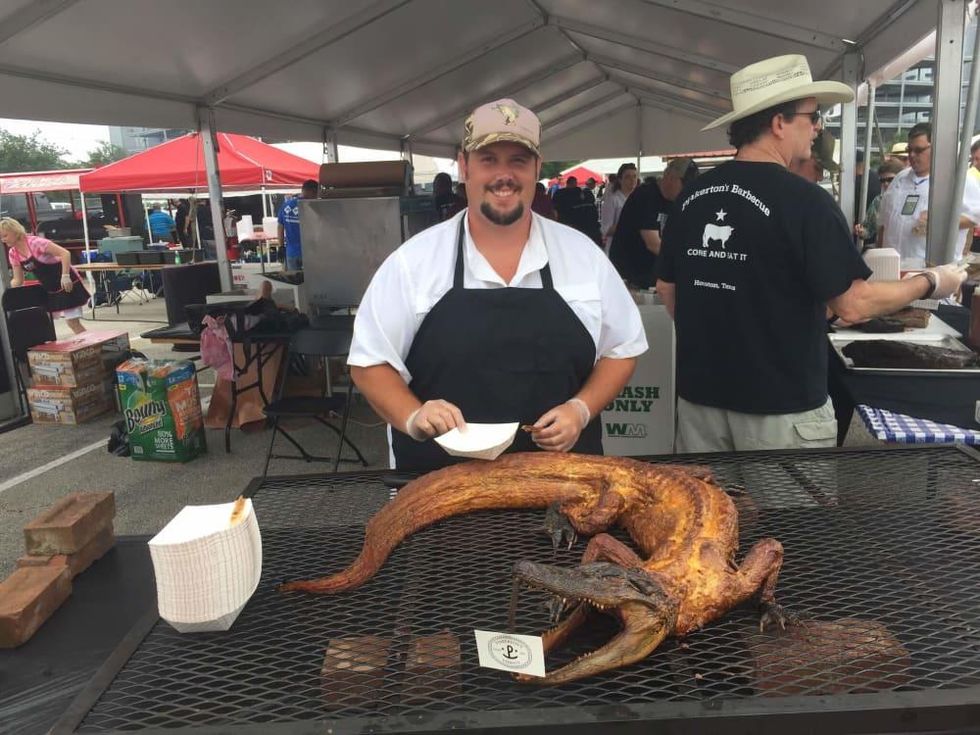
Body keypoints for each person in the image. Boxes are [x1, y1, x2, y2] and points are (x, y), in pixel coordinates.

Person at [655, 54, 966, 453]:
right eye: (811, 115)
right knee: (789, 518)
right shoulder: (806, 202)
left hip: (700, 401)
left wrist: (718, 332)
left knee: (705, 514)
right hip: (780, 408)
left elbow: (667, 289)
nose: (818, 126)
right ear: (778, 123)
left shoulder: (692, 197)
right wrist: (933, 281)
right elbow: (853, 305)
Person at [347, 97, 647, 472]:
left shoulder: (582, 256)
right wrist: (414, 415)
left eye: (518, 161)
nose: (503, 175)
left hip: (562, 490)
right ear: (464, 167)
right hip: (437, 492)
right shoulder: (413, 263)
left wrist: (580, 409)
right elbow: (369, 362)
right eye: (488, 159)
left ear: (537, 167)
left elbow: (623, 347)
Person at [877, 123, 980, 267]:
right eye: (910, 150)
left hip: (932, 270)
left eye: (918, 150)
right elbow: (884, 223)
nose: (912, 155)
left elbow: (974, 217)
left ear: (936, 148)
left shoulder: (957, 179)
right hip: (895, 267)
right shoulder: (900, 178)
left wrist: (938, 221)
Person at [609, 157, 698, 289]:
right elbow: (653, 243)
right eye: (683, 184)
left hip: (654, 274)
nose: (685, 190)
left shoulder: (677, 201)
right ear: (670, 177)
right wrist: (684, 262)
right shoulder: (646, 196)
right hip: (632, 275)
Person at [2, 217, 89, 334]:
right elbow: (18, 280)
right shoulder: (13, 253)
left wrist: (65, 276)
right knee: (44, 322)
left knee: (72, 323)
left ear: (15, 231)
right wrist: (4, 291)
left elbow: (65, 253)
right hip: (49, 288)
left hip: (66, 283)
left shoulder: (36, 243)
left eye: (5, 236)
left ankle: (92, 348)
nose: (2, 240)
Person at [855, 159, 903, 246]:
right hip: (885, 250)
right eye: (882, 180)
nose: (886, 183)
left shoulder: (910, 198)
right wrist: (861, 231)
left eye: (890, 179)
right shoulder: (879, 200)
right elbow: (868, 229)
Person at [277, 179, 318, 271]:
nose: (317, 197)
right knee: (311, 281)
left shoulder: (286, 205)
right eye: (316, 194)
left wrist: (280, 246)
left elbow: (280, 226)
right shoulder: (312, 207)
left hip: (291, 253)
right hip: (310, 253)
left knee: (295, 282)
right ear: (312, 191)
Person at [599, 163, 637, 253]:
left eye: (634, 176)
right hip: (616, 248)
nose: (632, 180)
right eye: (628, 177)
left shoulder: (638, 199)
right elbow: (606, 229)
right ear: (620, 180)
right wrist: (629, 223)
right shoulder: (613, 200)